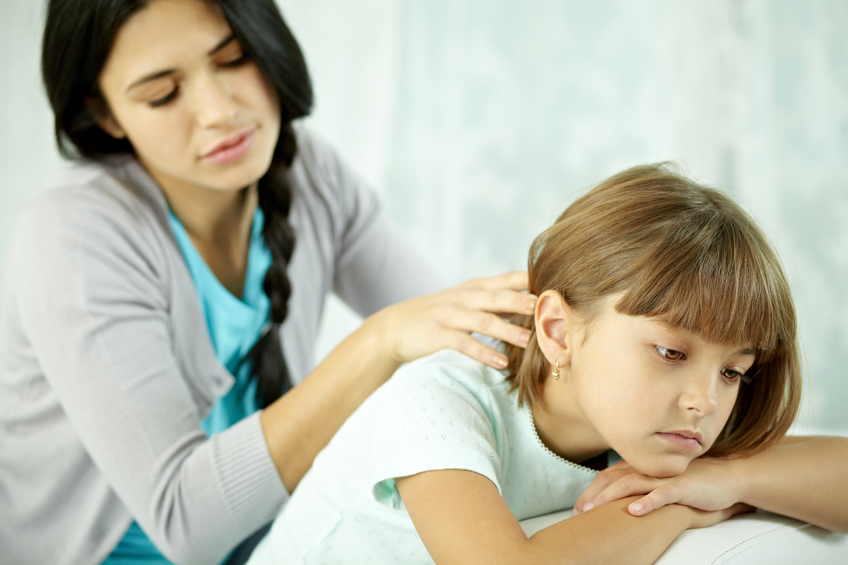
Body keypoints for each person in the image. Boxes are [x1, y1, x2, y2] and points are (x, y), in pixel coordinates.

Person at [0, 1, 538, 564]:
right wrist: (378, 342)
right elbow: (186, 524)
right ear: (105, 113)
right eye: (163, 93)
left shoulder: (311, 175)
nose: (218, 111)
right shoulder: (75, 234)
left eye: (233, 59)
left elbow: (472, 342)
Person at [245, 164, 848, 565]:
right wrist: (683, 506)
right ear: (558, 331)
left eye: (733, 371)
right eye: (671, 352)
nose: (706, 401)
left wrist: (726, 481)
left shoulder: (651, 429)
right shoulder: (437, 401)